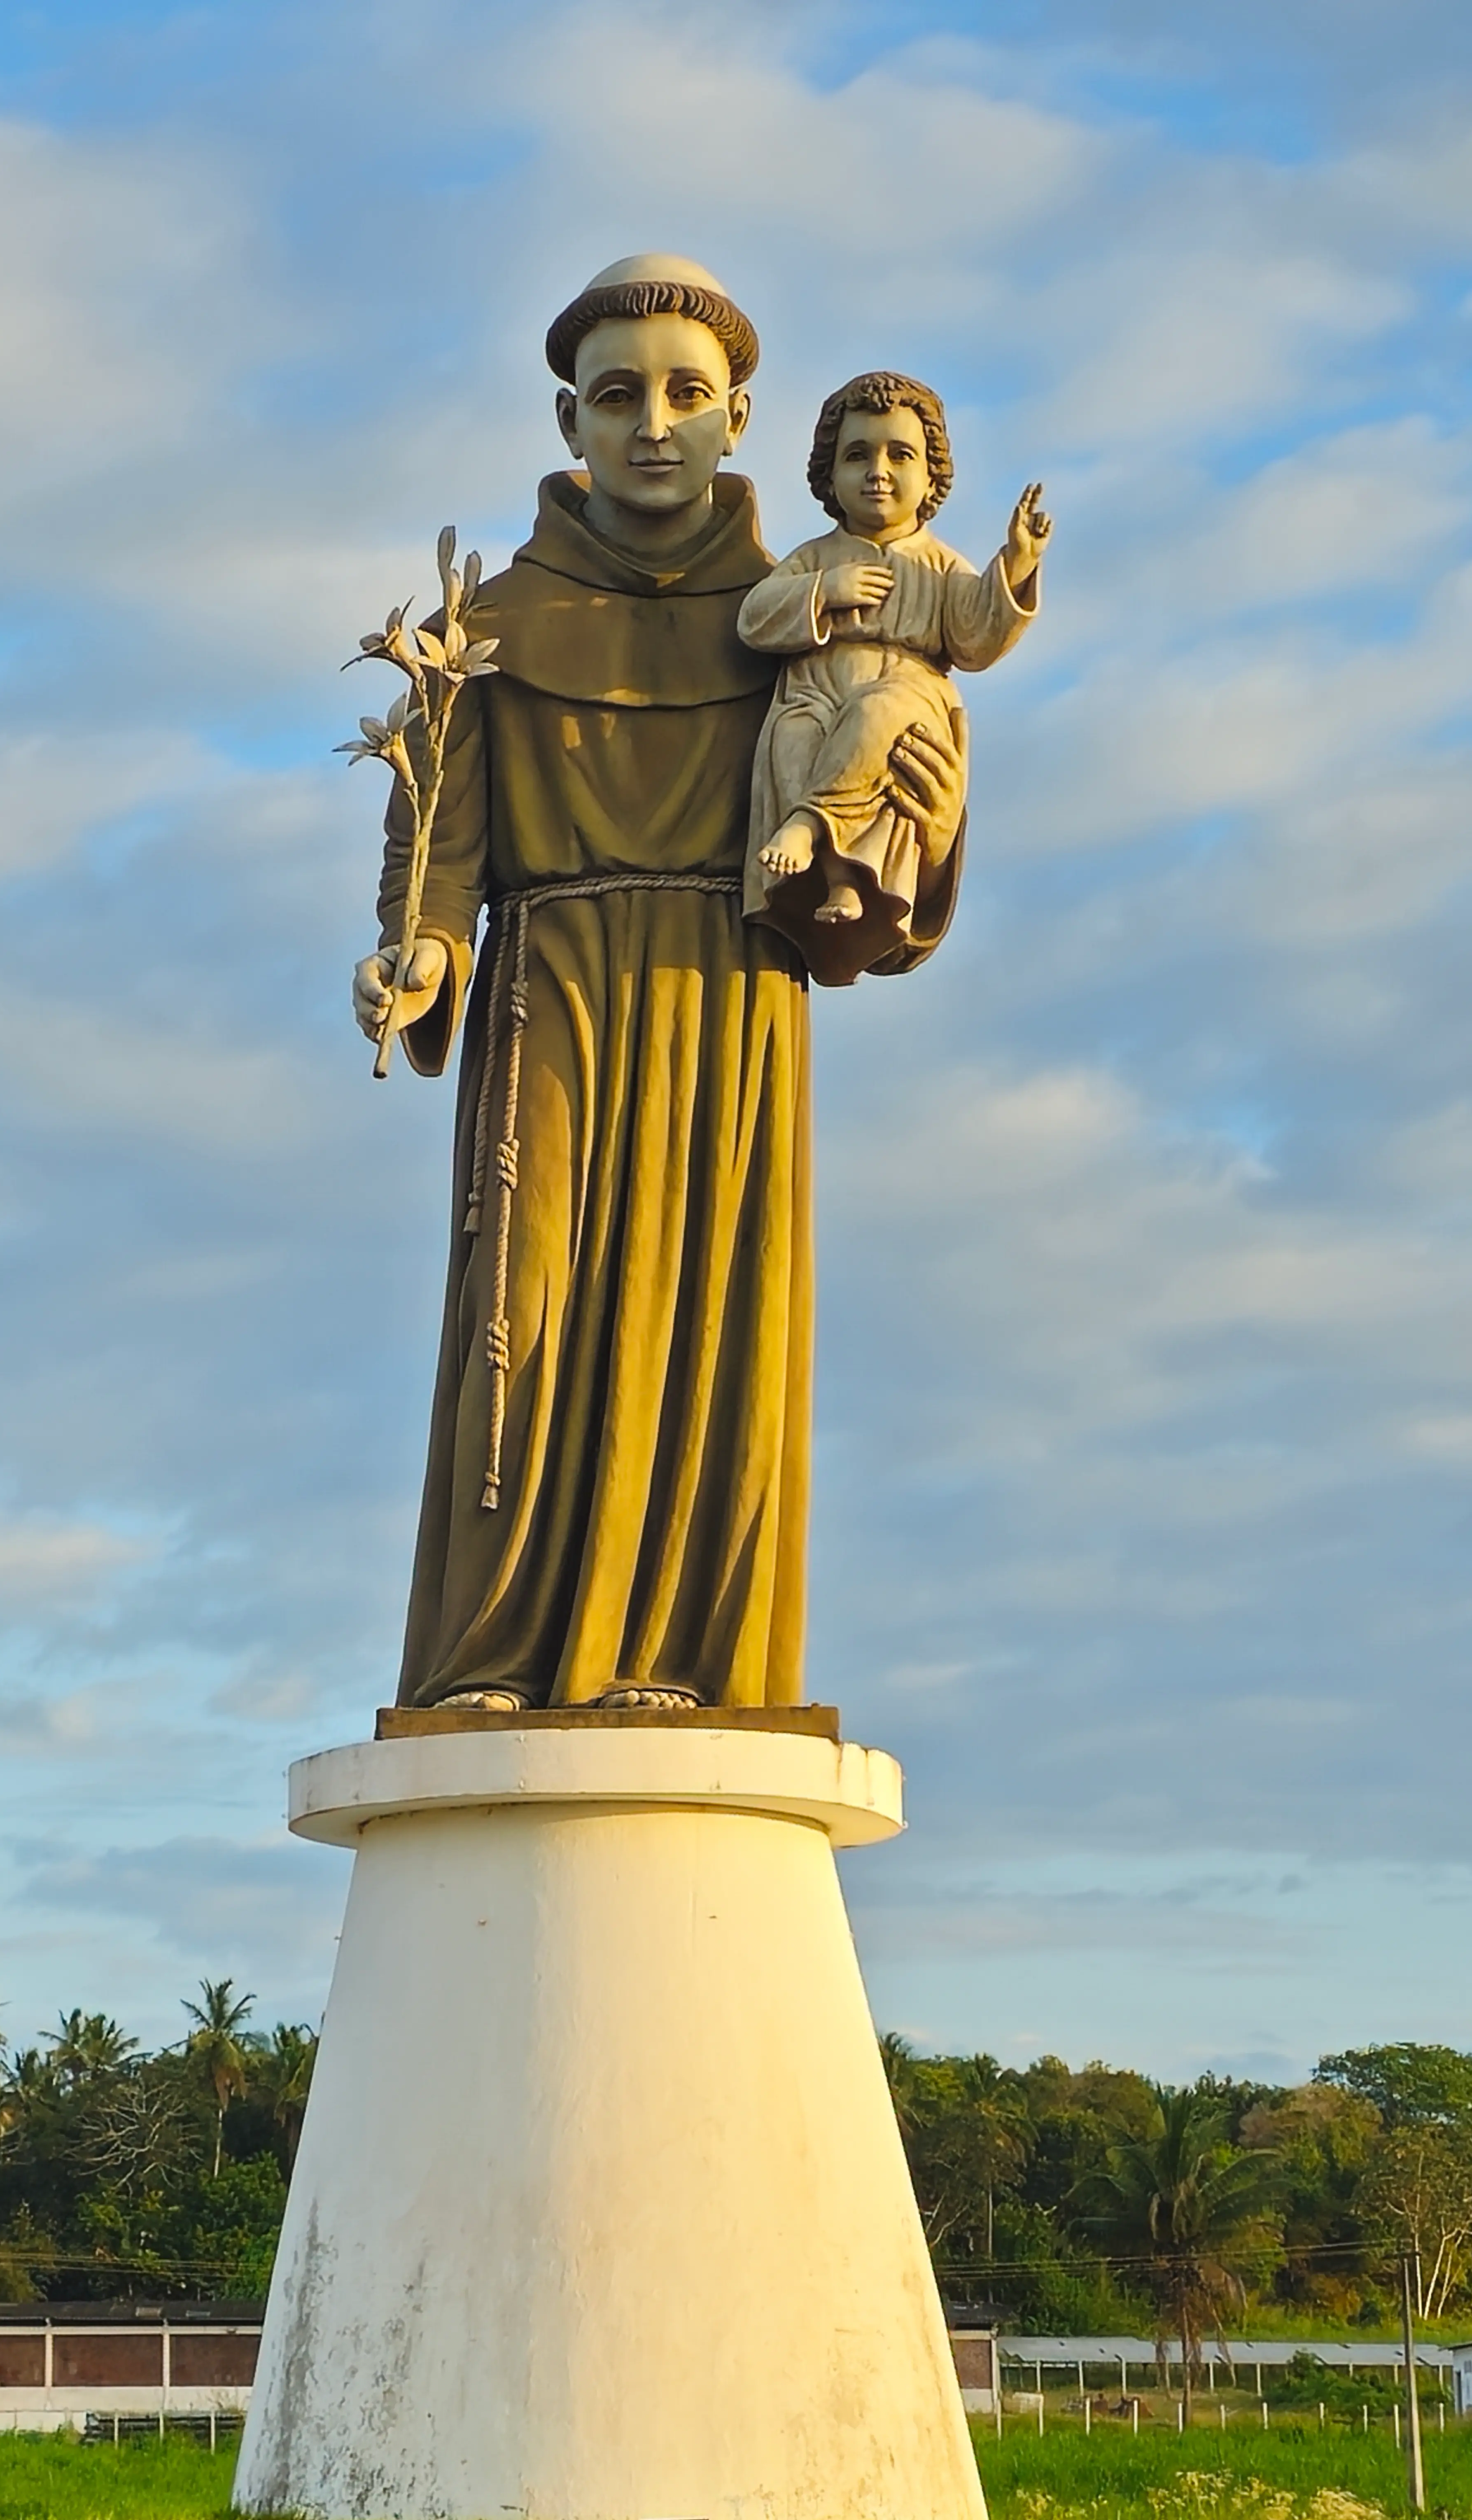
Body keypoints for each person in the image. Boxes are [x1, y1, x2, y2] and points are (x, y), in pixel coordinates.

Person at [350, 257, 967, 1713]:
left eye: (688, 395)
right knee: (535, 1315)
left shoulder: (806, 607)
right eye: (619, 395)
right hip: (548, 993)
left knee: (705, 1321)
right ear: (569, 420)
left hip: (728, 998)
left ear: (739, 416)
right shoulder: (493, 622)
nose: (654, 424)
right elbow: (438, 839)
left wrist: (918, 823)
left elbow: (879, 796)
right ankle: (493, 1657)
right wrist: (424, 951)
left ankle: (686, 1659)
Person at [740, 371, 1047, 985]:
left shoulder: (938, 566)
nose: (878, 471)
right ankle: (836, 876)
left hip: (905, 702)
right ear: (829, 475)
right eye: (858, 455)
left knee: (878, 714)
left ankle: (810, 825)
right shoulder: (813, 559)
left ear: (932, 477)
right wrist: (824, 593)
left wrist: (1016, 564)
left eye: (899, 455)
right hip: (816, 692)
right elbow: (755, 619)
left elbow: (977, 634)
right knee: (793, 735)